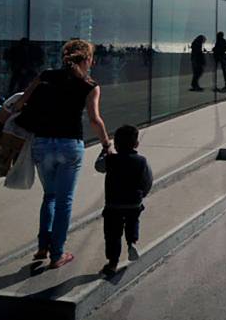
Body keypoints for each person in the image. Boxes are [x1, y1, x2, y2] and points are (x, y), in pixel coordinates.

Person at [12, 39, 110, 268]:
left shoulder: (46, 75)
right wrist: (107, 143)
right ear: (87, 59)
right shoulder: (90, 85)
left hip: (42, 143)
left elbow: (20, 103)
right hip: (70, 146)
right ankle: (57, 254)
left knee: (49, 197)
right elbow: (95, 119)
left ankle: (43, 247)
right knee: (64, 201)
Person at [96, 124, 153, 277]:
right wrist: (142, 195)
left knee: (112, 234)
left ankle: (113, 263)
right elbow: (147, 181)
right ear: (136, 144)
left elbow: (98, 167)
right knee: (133, 221)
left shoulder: (110, 160)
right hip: (134, 202)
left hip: (113, 204)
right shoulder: (141, 161)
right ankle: (132, 242)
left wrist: (104, 152)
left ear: (115, 144)